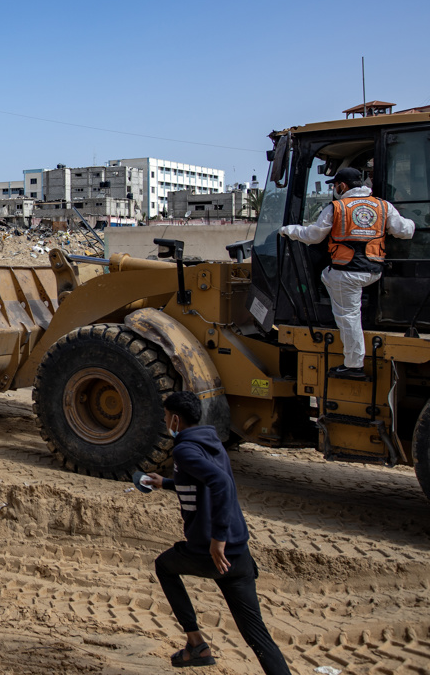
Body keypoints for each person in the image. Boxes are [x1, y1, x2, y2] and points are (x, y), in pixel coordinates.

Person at [143, 391, 291, 674]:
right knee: (257, 634)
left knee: (164, 566)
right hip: (239, 554)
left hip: (210, 551)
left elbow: (220, 483)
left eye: (165, 416)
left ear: (176, 418)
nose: (165, 421)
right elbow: (203, 482)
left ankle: (196, 644)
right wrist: (168, 483)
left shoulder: (184, 449)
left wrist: (217, 540)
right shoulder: (211, 442)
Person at [279, 166, 415, 379]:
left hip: (347, 273)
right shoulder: (383, 206)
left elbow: (313, 236)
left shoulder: (337, 208)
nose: (335, 189)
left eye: (335, 185)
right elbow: (404, 231)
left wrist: (289, 230)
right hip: (373, 271)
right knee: (328, 275)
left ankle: (353, 365)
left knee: (348, 315)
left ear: (342, 186)